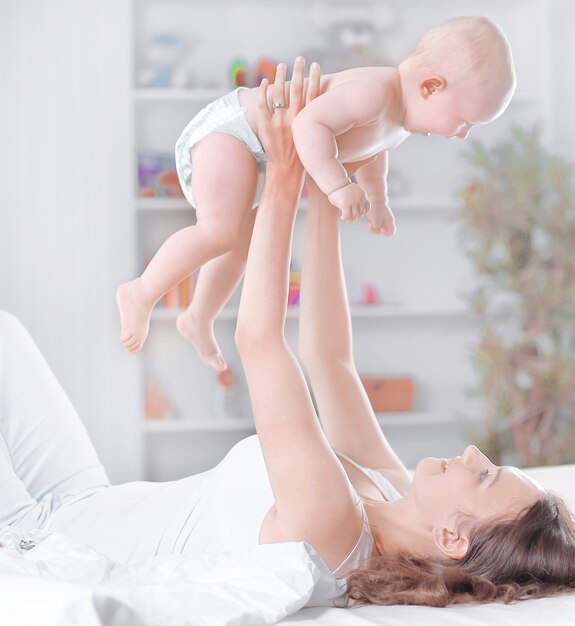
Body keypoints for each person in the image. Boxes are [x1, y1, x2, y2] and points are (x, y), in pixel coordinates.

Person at [3, 61, 574, 608]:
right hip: (84, 501)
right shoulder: (385, 486)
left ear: (452, 537)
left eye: (485, 474)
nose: (474, 452)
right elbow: (330, 358)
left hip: (36, 539)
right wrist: (331, 166)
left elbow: (259, 339)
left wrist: (283, 172)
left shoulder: (331, 533)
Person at [116, 16, 517, 373]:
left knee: (239, 243)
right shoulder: (372, 92)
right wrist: (338, 184)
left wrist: (377, 199)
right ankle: (141, 292)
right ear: (431, 87)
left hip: (255, 151)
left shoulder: (400, 120)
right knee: (218, 232)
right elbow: (309, 126)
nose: (462, 134)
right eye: (465, 122)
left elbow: (373, 153)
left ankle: (198, 316)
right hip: (232, 130)